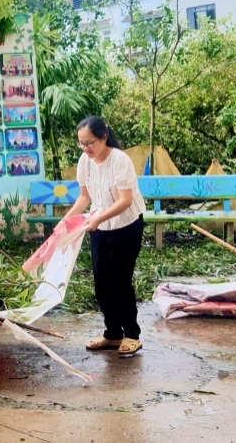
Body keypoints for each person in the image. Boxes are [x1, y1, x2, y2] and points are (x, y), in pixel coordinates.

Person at [59, 116, 147, 357]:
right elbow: (84, 198)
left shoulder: (120, 160)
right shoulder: (84, 162)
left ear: (104, 137)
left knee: (120, 281)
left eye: (90, 143)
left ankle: (131, 334)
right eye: (82, 143)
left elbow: (125, 200)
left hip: (126, 225)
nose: (86, 149)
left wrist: (97, 219)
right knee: (101, 283)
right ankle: (112, 333)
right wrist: (66, 220)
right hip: (99, 226)